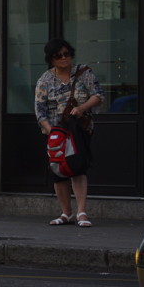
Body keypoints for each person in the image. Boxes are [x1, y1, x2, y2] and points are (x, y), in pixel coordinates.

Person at [35, 38, 103, 227]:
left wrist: (82, 108)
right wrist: (52, 133)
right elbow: (40, 111)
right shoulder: (45, 80)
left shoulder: (84, 72)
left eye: (67, 54)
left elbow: (98, 94)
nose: (64, 58)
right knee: (58, 171)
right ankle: (66, 213)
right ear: (51, 59)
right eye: (59, 56)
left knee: (78, 167)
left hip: (79, 129)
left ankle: (82, 212)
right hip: (56, 132)